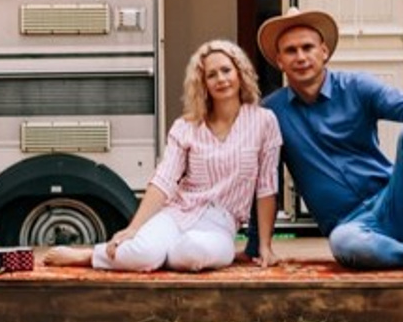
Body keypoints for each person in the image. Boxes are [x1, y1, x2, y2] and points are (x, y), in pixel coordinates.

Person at [44, 40, 281, 272]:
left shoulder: (264, 121)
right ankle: (92, 255)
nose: (221, 79)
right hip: (176, 213)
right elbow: (164, 179)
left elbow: (266, 187)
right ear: (203, 83)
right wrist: (134, 228)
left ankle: (154, 254)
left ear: (240, 73)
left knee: (192, 252)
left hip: (220, 224)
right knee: (144, 255)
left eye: (226, 70)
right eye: (212, 75)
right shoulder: (186, 126)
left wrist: (265, 246)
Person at [256, 7, 403, 269]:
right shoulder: (270, 112)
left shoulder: (358, 87)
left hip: (391, 199)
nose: (301, 57)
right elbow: (265, 178)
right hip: (350, 226)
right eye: (291, 51)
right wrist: (259, 244)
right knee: (346, 244)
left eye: (307, 47)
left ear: (323, 51)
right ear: (279, 61)